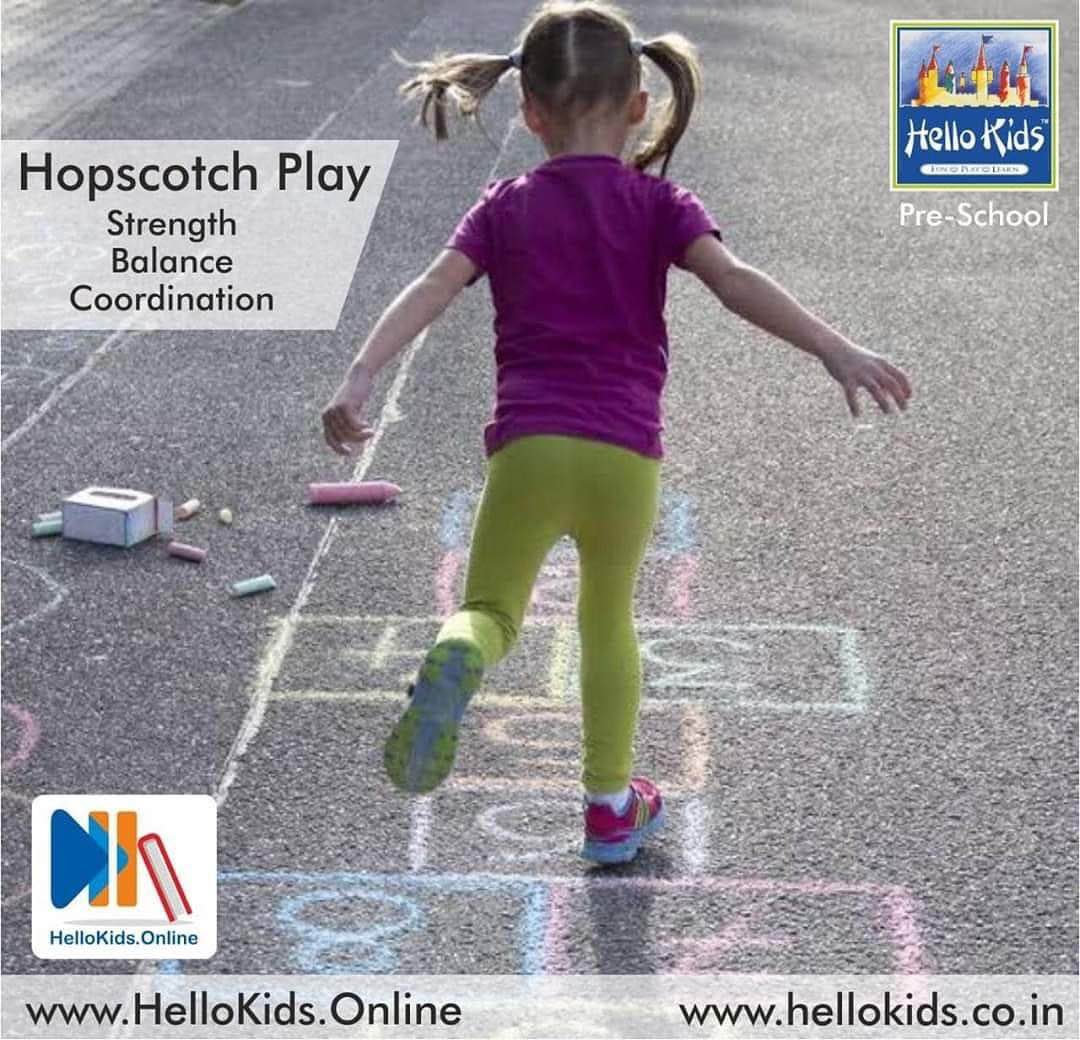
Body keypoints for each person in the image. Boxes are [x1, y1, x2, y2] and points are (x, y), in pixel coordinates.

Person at [321, 1, 912, 865]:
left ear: (530, 113)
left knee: (490, 610)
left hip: (527, 449)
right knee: (608, 618)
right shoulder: (659, 201)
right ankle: (608, 809)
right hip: (623, 458)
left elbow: (432, 287)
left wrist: (361, 372)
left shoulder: (503, 206)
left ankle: (456, 651)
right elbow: (735, 281)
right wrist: (834, 347)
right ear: (639, 105)